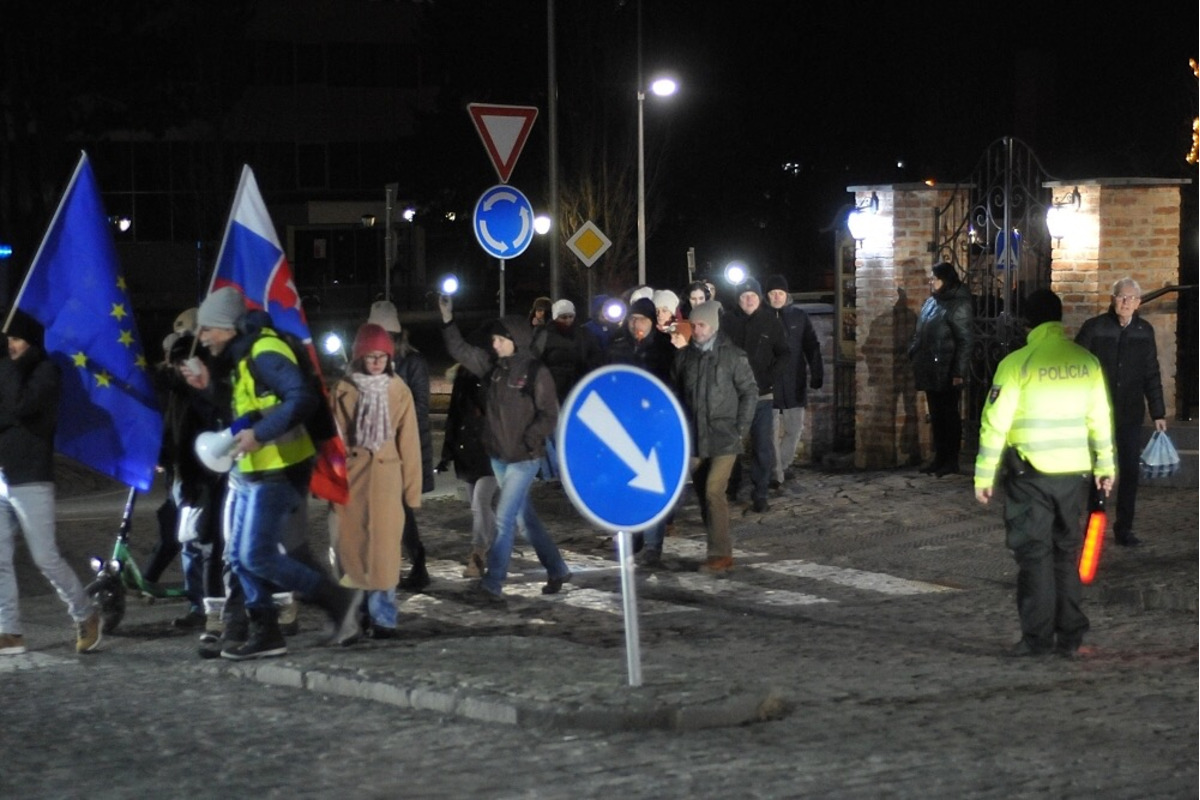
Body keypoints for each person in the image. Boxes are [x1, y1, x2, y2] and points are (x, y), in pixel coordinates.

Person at [196, 286, 361, 660]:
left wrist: (261, 435)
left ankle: (339, 600)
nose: (202, 338)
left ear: (228, 326)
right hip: (252, 470)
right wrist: (207, 389)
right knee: (239, 557)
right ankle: (266, 630)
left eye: (207, 329)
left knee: (256, 556)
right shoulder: (243, 355)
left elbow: (300, 398)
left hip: (281, 469)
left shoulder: (265, 349)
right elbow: (249, 413)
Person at [974, 289, 1115, 658]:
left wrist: (983, 476)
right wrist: (1106, 467)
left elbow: (994, 425)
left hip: (1030, 475)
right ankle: (1070, 636)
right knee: (1065, 553)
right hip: (1074, 474)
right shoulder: (1086, 362)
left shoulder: (1017, 363)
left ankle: (1036, 639)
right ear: (1060, 319)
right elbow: (1100, 419)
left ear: (1026, 323)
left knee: (1034, 554)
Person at [438, 294, 571, 602]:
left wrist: (530, 439)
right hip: (499, 458)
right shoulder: (492, 368)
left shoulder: (536, 372)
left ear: (515, 340)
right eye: (493, 339)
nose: (494, 344)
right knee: (525, 520)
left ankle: (493, 583)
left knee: (503, 518)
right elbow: (459, 349)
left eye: (499, 339)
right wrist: (447, 319)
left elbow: (550, 413)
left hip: (524, 459)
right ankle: (557, 568)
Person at [0, 310, 102, 655]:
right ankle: (9, 631)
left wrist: (7, 369)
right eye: (8, 340)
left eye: (17, 340)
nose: (11, 346)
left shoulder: (46, 372)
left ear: (32, 341)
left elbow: (21, 407)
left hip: (30, 475)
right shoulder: (9, 372)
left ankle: (85, 613)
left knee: (44, 556)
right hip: (1, 474)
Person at [328, 324, 422, 639]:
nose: (377, 361)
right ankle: (354, 617)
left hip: (386, 479)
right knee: (351, 551)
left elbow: (409, 442)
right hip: (353, 480)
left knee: (384, 552)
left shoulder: (399, 391)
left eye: (383, 356)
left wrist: (412, 491)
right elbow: (333, 443)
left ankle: (384, 617)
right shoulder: (343, 388)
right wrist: (332, 484)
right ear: (359, 357)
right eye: (371, 356)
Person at [1075, 277, 1168, 547]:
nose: (1126, 302)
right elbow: (1078, 368)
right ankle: (1095, 523)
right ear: (1113, 299)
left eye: (1131, 298)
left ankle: (1124, 527)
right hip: (1098, 413)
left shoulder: (1144, 331)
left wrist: (1158, 411)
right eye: (1121, 297)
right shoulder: (1094, 328)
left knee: (1129, 471)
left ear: (1138, 303)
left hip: (1130, 412)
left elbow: (1151, 372)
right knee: (1098, 470)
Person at [669, 300, 758, 574]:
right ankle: (716, 544)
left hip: (724, 436)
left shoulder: (733, 356)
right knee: (702, 494)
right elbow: (676, 393)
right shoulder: (685, 358)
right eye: (693, 325)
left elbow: (749, 392)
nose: (696, 330)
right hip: (696, 437)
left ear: (714, 326)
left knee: (713, 491)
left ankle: (721, 554)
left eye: (702, 325)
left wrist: (740, 429)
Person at [160, 333, 230, 630]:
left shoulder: (206, 390)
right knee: (188, 541)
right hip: (182, 473)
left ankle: (215, 604)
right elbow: (172, 428)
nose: (181, 369)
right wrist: (165, 457)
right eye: (177, 364)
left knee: (207, 543)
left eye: (185, 362)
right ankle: (196, 604)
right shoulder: (176, 392)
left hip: (205, 474)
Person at [608, 297, 680, 566]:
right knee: (628, 484)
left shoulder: (664, 350)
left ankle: (652, 546)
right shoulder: (618, 347)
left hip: (653, 426)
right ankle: (633, 539)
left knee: (651, 484)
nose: (636, 324)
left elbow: (673, 385)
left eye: (641, 319)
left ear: (652, 322)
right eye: (632, 319)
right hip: (625, 425)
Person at [367, 300, 434, 590]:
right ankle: (412, 566)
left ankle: (411, 565)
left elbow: (420, 407)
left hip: (403, 448)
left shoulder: (413, 362)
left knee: (397, 508)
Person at [721, 277, 790, 512]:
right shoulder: (728, 322)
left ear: (759, 298)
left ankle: (760, 493)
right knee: (732, 445)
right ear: (738, 300)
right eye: (744, 296)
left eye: (752, 296)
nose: (748, 300)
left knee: (762, 446)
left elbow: (784, 354)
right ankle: (732, 487)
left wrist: (770, 377)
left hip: (762, 394)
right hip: (733, 396)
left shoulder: (771, 322)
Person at [908, 261, 974, 476]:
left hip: (946, 368)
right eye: (931, 278)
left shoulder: (959, 304)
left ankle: (950, 460)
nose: (931, 282)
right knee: (936, 415)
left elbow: (965, 340)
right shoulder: (932, 302)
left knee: (949, 416)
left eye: (935, 278)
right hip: (930, 366)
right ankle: (939, 457)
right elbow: (921, 331)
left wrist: (958, 372)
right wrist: (913, 351)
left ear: (946, 280)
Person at [438, 355, 499, 578]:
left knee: (479, 504)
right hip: (468, 455)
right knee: (479, 507)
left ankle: (478, 553)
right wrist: (447, 454)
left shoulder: (494, 378)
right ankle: (498, 542)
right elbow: (453, 419)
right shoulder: (462, 381)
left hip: (491, 455)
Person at [764, 274, 824, 487]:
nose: (777, 297)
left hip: (794, 381)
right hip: (768, 383)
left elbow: (811, 345)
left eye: (780, 292)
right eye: (773, 293)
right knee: (769, 432)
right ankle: (776, 474)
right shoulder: (762, 318)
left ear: (787, 294)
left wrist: (817, 372)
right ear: (767, 295)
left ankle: (783, 464)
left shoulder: (799, 316)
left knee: (795, 429)